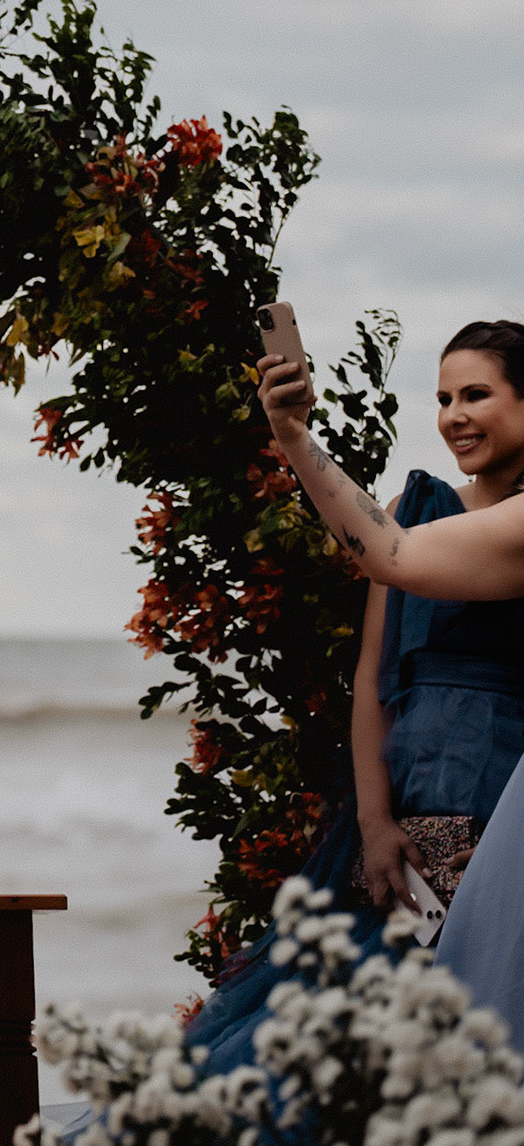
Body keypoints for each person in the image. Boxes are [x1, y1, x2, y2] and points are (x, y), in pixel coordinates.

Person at [187, 321, 524, 1069]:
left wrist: (295, 437)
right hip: (406, 797)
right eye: (442, 398)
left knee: (459, 1023)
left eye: (477, 394)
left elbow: (389, 557)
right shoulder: (420, 503)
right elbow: (375, 675)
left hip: (500, 798)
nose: (454, 416)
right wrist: (373, 821)